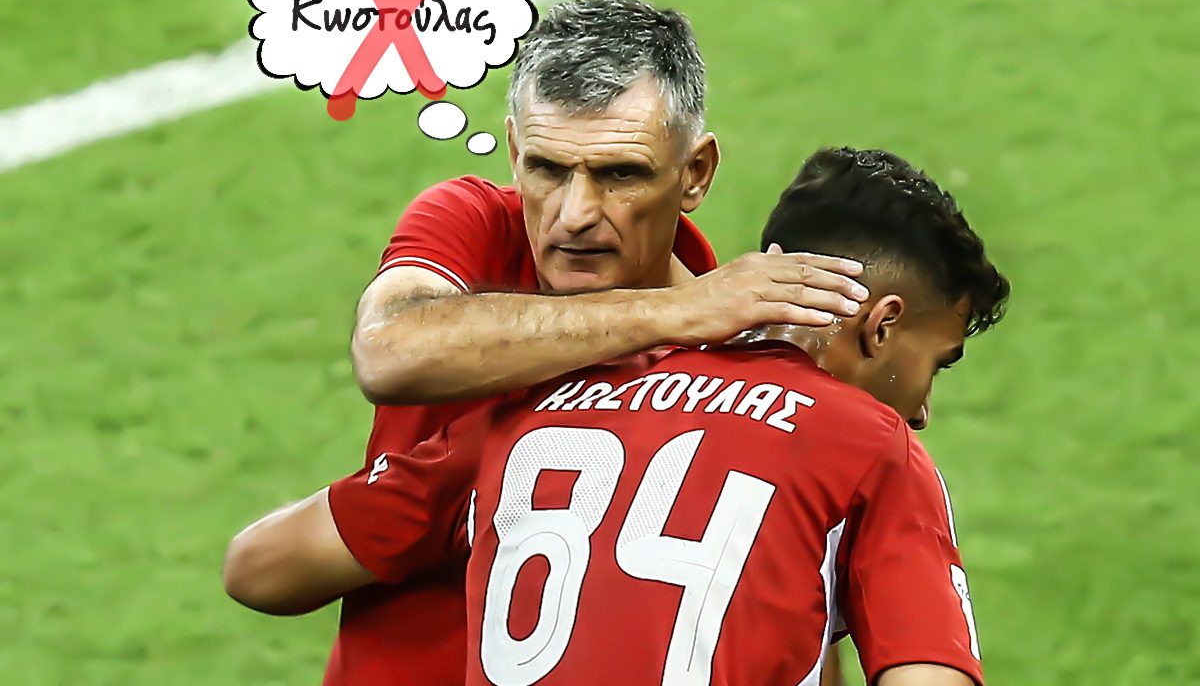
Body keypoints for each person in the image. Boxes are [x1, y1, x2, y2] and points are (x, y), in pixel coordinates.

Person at [225, 146, 1011, 686]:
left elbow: (259, 567)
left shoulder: (536, 416)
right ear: (882, 325)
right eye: (937, 364)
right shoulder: (873, 446)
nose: (923, 410)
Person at [334, 0, 867, 686]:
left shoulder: (747, 373)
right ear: (514, 152)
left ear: (696, 173)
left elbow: (795, 604)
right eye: (546, 169)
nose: (575, 215)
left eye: (620, 174)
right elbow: (390, 350)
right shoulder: (473, 225)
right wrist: (672, 312)